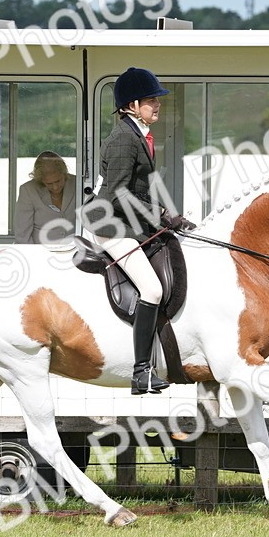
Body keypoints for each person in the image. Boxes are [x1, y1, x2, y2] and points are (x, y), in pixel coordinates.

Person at [83, 67, 193, 395]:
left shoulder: (136, 134)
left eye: (157, 100)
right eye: (151, 100)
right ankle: (141, 371)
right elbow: (116, 194)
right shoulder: (123, 140)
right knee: (153, 290)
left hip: (128, 221)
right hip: (110, 227)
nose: (158, 105)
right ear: (132, 105)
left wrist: (163, 214)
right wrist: (156, 221)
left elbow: (137, 190)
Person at [14, 151, 77, 244]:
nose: (55, 187)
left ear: (64, 174)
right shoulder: (28, 190)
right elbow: (23, 234)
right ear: (40, 180)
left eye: (58, 181)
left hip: (74, 249)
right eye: (49, 183)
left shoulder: (78, 183)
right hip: (41, 251)